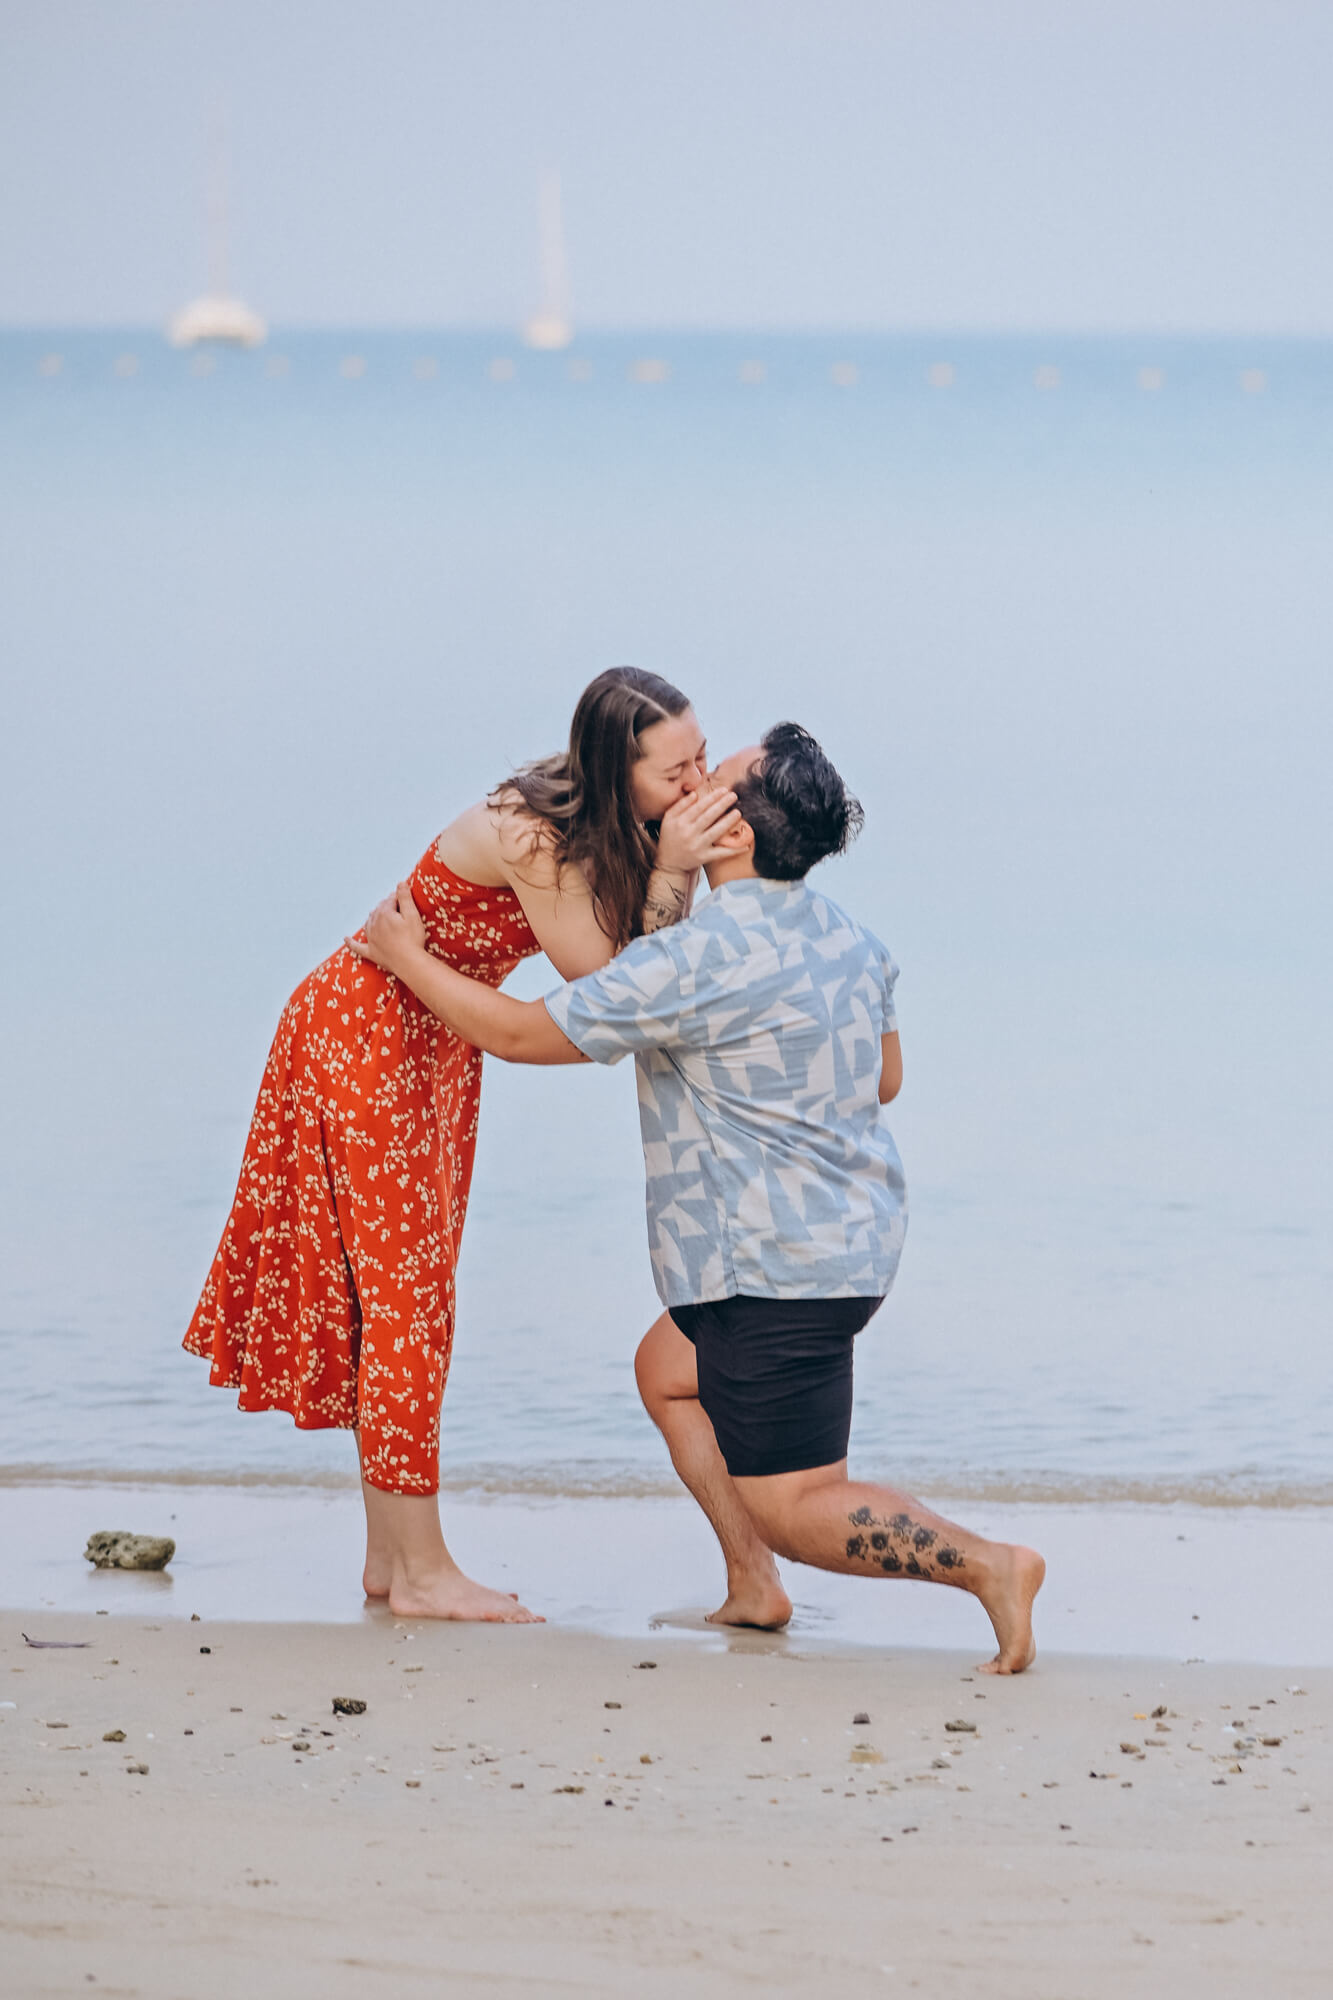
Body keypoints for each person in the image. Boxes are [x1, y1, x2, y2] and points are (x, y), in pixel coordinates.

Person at [350, 723, 1046, 1673]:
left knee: (797, 1504)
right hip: (847, 1245)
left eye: (712, 778)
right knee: (667, 1372)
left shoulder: (692, 960)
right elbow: (883, 1080)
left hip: (769, 1269)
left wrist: (406, 959)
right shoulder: (852, 938)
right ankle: (752, 1584)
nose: (692, 785)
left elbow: (515, 1035)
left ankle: (990, 1567)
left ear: (735, 832)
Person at [184, 667, 742, 1623]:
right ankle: (423, 1572)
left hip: (431, 1033)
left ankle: (389, 1560)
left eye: (701, 759)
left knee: (404, 1295)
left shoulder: (600, 820)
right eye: (673, 772)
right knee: (407, 1304)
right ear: (613, 770)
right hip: (367, 1028)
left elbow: (631, 975)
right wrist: (677, 869)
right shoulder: (536, 835)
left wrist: (669, 856)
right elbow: (608, 986)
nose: (695, 784)